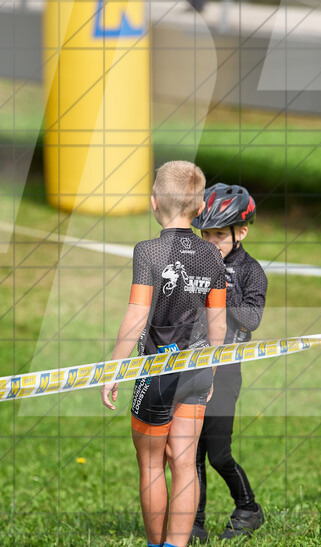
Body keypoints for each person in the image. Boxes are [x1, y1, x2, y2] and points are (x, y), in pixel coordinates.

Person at [101, 161, 228, 547]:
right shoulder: (212, 256)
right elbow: (218, 325)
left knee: (152, 463)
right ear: (201, 205)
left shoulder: (148, 252)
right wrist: (212, 369)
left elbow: (138, 316)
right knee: (186, 463)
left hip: (157, 372)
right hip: (197, 369)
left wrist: (113, 368)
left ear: (154, 203)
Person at [190, 183, 267, 541]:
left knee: (218, 453)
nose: (211, 242)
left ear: (242, 231)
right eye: (205, 235)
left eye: (219, 235)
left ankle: (248, 508)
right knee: (191, 453)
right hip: (192, 368)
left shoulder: (252, 271)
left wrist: (222, 283)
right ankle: (195, 523)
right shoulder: (198, 263)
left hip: (226, 372)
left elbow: (251, 319)